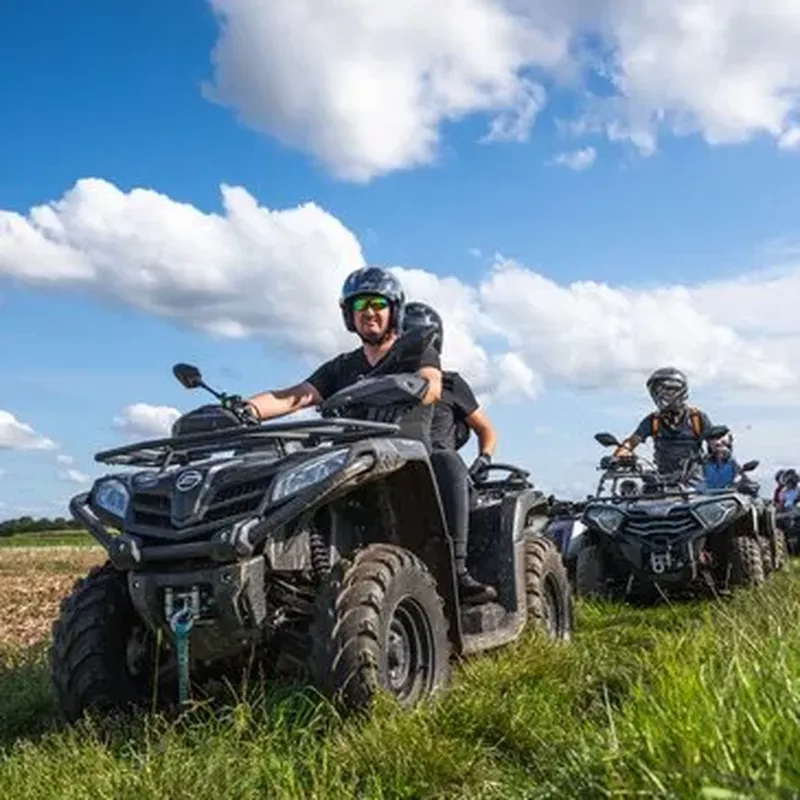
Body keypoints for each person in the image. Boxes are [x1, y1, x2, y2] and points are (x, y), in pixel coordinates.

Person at [244, 267, 490, 604]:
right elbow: (294, 396)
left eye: (377, 303)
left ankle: (456, 570)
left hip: (406, 459)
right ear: (349, 315)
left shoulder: (415, 350)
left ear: (394, 311)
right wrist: (246, 410)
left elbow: (431, 382)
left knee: (447, 461)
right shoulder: (341, 367)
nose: (369, 312)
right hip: (354, 461)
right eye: (360, 305)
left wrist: (417, 386)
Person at [400, 301, 499, 604]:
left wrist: (484, 459)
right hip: (396, 463)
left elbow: (487, 429)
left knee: (446, 460)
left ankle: (457, 571)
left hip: (440, 472)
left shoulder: (452, 383)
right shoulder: (383, 384)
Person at [614, 367, 715, 477]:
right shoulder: (653, 420)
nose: (661, 395)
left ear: (679, 391)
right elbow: (633, 440)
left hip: (695, 480)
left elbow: (714, 442)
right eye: (657, 391)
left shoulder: (697, 418)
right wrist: (622, 453)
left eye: (667, 391)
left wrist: (720, 447)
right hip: (662, 479)